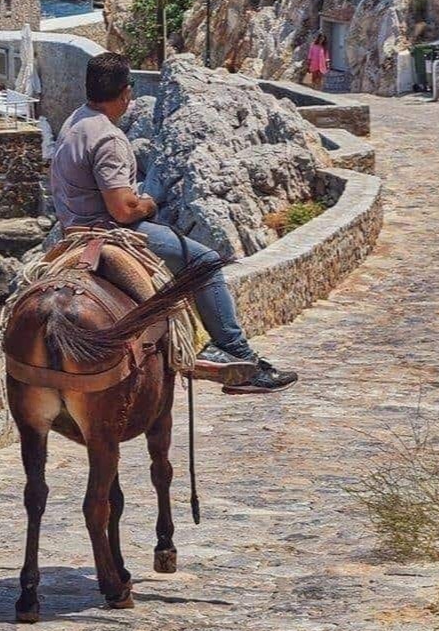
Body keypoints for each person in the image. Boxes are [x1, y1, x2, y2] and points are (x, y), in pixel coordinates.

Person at [49, 51, 298, 395]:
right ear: (126, 93)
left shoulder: (74, 121)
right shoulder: (108, 137)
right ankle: (235, 354)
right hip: (109, 233)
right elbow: (122, 209)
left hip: (70, 230)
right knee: (205, 262)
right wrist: (149, 203)